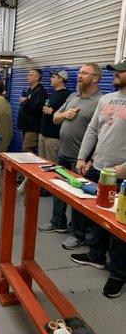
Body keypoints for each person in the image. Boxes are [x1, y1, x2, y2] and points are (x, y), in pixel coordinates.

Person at [70, 59, 126, 298]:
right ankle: (95, 256)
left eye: (120, 72)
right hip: (98, 169)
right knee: (98, 217)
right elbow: (93, 130)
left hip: (122, 175)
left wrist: (124, 168)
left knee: (120, 226)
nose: (115, 75)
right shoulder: (106, 99)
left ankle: (117, 274)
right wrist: (83, 158)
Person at [39, 63, 103, 250]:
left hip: (80, 158)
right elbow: (55, 118)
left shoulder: (100, 101)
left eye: (84, 73)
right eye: (80, 72)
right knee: (59, 190)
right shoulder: (72, 96)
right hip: (63, 152)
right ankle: (58, 222)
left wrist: (90, 159)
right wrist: (66, 114)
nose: (80, 75)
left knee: (79, 198)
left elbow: (100, 133)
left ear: (96, 78)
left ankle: (78, 233)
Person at [39, 70, 71, 164]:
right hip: (43, 134)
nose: (50, 79)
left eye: (53, 77)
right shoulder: (54, 93)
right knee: (40, 163)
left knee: (50, 164)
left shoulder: (67, 95)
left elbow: (67, 114)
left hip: (53, 137)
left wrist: (52, 112)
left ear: (61, 79)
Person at [17, 69, 48, 153]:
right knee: (25, 150)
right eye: (28, 75)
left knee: (27, 151)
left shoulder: (40, 92)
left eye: (30, 75)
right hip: (26, 126)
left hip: (32, 128)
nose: (28, 77)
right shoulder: (30, 90)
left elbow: (36, 109)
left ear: (37, 77)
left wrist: (25, 101)